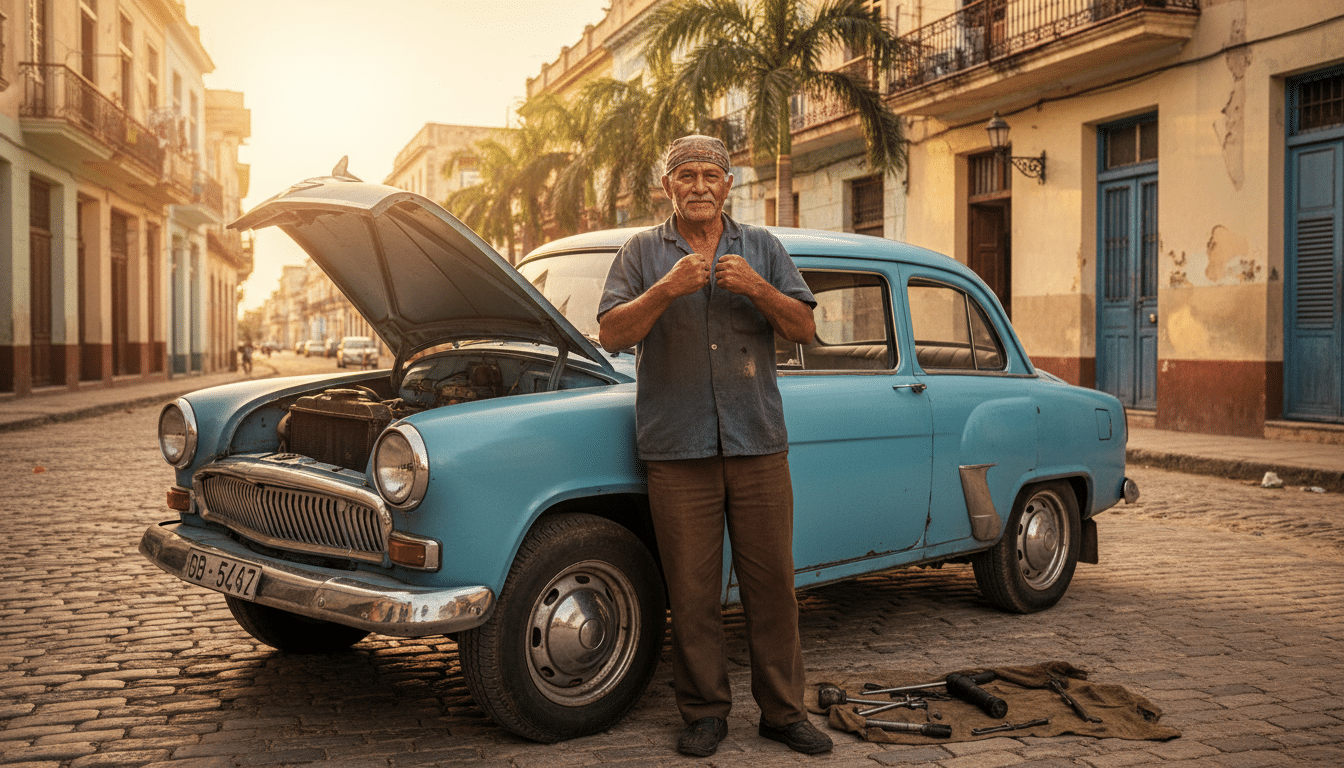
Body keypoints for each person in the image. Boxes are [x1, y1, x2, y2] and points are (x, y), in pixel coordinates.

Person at [597, 135, 831, 757]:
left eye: (710, 175)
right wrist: (665, 289)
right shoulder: (642, 252)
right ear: (668, 186)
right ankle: (704, 713)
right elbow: (612, 333)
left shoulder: (763, 248)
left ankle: (783, 713)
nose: (699, 185)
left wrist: (757, 287)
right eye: (686, 175)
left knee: (773, 589)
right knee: (692, 594)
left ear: (729, 185)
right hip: (678, 451)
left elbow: (805, 327)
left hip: (758, 445)